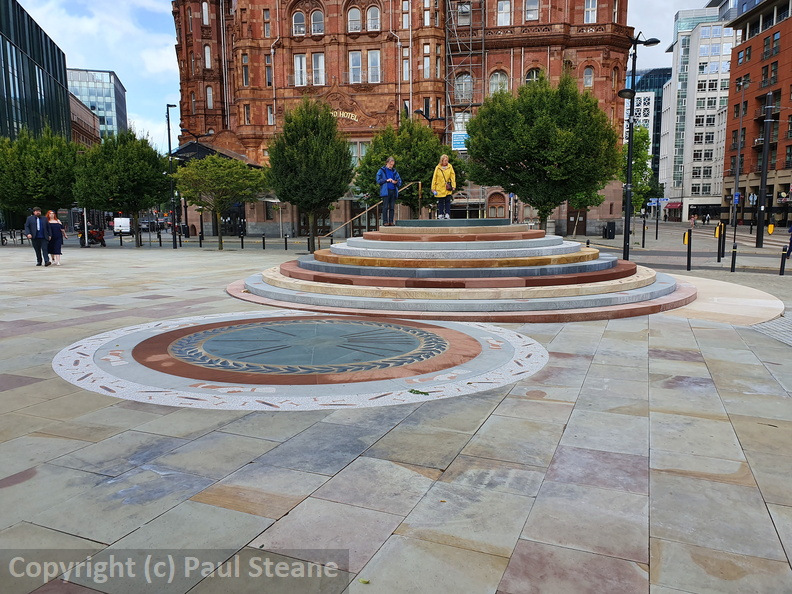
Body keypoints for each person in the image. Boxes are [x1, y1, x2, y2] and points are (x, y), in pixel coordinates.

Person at [376, 156, 401, 226]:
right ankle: (385, 221)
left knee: (392, 207)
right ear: (387, 163)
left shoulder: (394, 171)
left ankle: (391, 221)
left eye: (392, 164)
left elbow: (399, 180)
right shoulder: (381, 170)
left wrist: (396, 182)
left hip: (393, 190)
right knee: (385, 207)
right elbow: (378, 180)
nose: (391, 166)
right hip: (385, 191)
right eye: (390, 164)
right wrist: (386, 180)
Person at [431, 154, 456, 220]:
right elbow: (434, 178)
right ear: (442, 161)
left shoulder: (450, 167)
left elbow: (452, 177)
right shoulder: (437, 168)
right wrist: (433, 188)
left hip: (447, 187)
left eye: (447, 160)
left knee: (447, 200)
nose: (446, 162)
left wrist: (453, 185)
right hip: (439, 187)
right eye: (445, 160)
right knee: (440, 201)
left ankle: (447, 213)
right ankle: (441, 213)